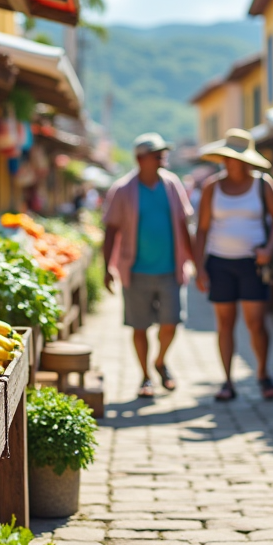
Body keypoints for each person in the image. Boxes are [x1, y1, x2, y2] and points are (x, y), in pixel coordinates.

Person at [194, 129, 273, 401]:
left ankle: (262, 373)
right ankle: (226, 380)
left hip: (253, 263)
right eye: (227, 157)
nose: (231, 162)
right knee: (224, 323)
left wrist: (269, 249)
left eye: (235, 158)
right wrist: (199, 268)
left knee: (256, 322)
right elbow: (201, 229)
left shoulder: (263, 184)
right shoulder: (212, 186)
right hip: (219, 262)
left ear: (247, 160)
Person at [102, 133, 196, 398]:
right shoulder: (123, 190)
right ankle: (145, 376)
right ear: (141, 159)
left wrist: (196, 261)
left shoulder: (172, 185)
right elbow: (110, 229)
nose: (162, 159)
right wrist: (106, 267)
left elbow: (183, 225)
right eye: (158, 155)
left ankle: (160, 361)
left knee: (171, 322)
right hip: (136, 271)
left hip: (170, 269)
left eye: (163, 154)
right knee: (139, 326)